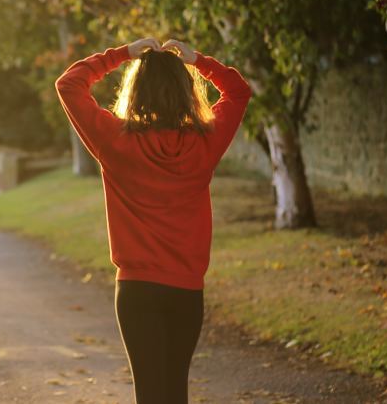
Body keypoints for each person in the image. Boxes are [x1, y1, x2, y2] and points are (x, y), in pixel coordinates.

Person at [55, 38, 251, 403]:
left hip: (137, 291)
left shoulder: (116, 141)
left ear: (137, 90)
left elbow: (69, 84)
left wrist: (122, 54)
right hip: (187, 290)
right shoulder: (204, 142)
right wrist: (198, 60)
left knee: (150, 394)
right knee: (176, 392)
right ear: (186, 92)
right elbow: (238, 92)